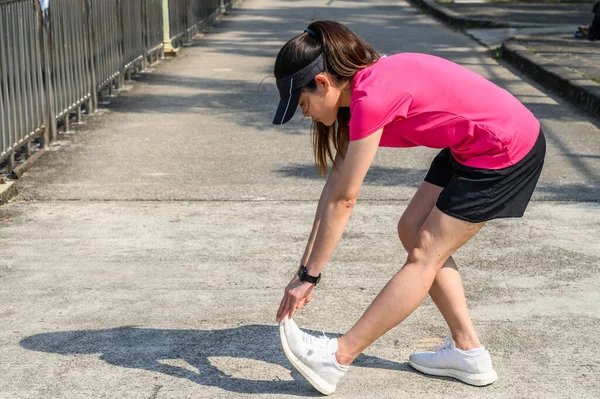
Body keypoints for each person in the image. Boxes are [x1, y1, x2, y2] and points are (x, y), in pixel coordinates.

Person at [272, 20, 545, 396]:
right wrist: (306, 272)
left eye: (302, 104)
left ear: (322, 83)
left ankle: (336, 357)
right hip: (473, 142)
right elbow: (333, 189)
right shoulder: (360, 91)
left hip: (505, 148)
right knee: (412, 228)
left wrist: (310, 277)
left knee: (424, 254)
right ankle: (468, 352)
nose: (305, 115)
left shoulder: (371, 98)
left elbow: (345, 200)